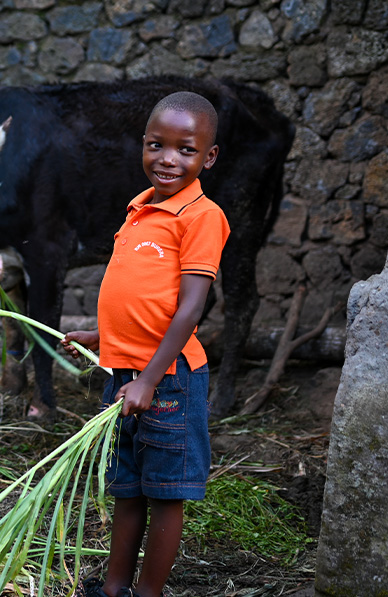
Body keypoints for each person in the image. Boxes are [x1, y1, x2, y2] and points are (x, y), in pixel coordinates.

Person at [63, 92, 230, 597]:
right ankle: (115, 588)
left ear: (209, 157)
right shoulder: (138, 208)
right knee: (128, 488)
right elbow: (141, 297)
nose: (168, 159)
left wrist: (149, 380)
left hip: (169, 380)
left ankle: (146, 593)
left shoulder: (201, 217)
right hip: (125, 376)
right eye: (157, 145)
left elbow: (189, 308)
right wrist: (102, 336)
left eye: (185, 149)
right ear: (143, 144)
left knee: (165, 495)